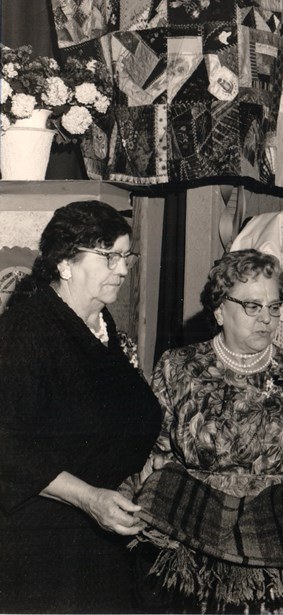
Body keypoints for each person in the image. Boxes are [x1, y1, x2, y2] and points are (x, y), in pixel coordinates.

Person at [144, 249, 283, 606]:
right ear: (220, 310)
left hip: (280, 547)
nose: (266, 318)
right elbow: (155, 456)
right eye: (252, 306)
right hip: (197, 546)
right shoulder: (180, 367)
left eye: (274, 306)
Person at [0, 200, 163, 613]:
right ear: (64, 264)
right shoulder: (28, 330)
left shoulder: (104, 330)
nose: (124, 270)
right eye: (110, 256)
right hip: (43, 546)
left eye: (126, 256)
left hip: (102, 538)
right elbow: (6, 445)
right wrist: (89, 498)